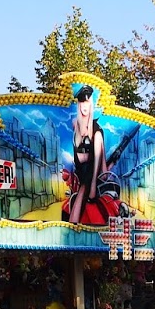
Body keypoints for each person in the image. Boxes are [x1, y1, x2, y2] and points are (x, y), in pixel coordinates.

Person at [65, 85, 118, 225]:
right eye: (82, 102)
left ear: (91, 104)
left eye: (87, 102)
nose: (84, 106)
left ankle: (73, 226)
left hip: (90, 177)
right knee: (80, 190)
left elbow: (100, 168)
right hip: (80, 175)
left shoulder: (96, 131)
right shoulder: (75, 125)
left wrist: (93, 185)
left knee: (85, 188)